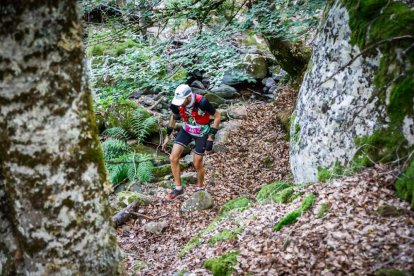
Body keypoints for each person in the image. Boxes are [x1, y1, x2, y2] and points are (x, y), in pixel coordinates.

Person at [162, 84, 221, 200]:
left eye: (181, 100)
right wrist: (167, 135)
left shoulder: (202, 102)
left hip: (202, 132)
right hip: (186, 129)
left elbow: (218, 116)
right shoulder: (176, 104)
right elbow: (173, 117)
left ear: (189, 97)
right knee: (173, 158)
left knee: (197, 162)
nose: (179, 103)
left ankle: (199, 188)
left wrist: (211, 137)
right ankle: (178, 188)